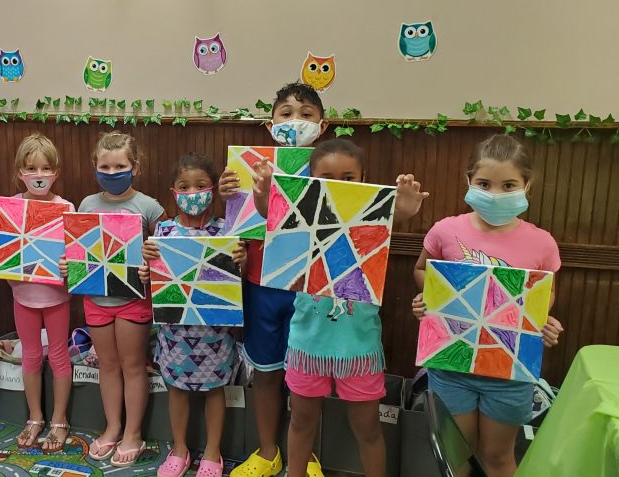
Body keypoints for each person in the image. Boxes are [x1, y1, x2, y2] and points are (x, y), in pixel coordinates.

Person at [255, 139, 427, 477]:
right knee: (301, 421)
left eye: (349, 178)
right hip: (308, 344)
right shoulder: (304, 216)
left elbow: (399, 213)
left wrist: (404, 205)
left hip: (357, 349)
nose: (338, 184)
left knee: (367, 428)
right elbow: (269, 211)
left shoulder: (371, 218)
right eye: (327, 176)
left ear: (363, 180)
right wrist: (265, 192)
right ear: (310, 179)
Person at [412, 134, 562, 477]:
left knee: (497, 456)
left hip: (508, 372)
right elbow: (422, 270)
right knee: (455, 456)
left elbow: (546, 293)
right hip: (452, 366)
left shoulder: (542, 242)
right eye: (484, 183)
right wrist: (430, 298)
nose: (495, 194)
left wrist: (542, 320)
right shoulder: (445, 231)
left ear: (528, 185)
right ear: (468, 182)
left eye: (508, 184)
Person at [219, 83, 328, 477]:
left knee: (308, 379)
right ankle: (269, 452)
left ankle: (305, 455)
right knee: (265, 373)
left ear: (322, 124)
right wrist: (227, 195)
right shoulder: (247, 168)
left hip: (312, 286)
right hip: (261, 282)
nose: (295, 121)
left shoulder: (329, 168)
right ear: (270, 124)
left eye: (306, 114)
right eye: (285, 113)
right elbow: (238, 230)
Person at [59, 131, 166, 467]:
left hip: (134, 300)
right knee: (107, 365)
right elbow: (78, 249)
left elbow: (165, 253)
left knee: (133, 366)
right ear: (94, 166)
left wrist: (153, 266)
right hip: (96, 299)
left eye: (120, 165)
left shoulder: (150, 207)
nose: (112, 171)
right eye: (104, 166)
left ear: (135, 166)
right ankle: (113, 426)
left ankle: (133, 432)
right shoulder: (87, 205)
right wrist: (68, 263)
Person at [139, 153, 245, 477]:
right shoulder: (164, 232)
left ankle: (213, 451)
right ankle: (180, 447)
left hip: (215, 330)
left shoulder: (225, 229)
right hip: (175, 331)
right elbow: (151, 278)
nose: (192, 192)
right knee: (176, 388)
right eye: (184, 186)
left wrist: (242, 258)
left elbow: (240, 279)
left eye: (200, 185)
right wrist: (147, 270)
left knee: (215, 391)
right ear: (173, 191)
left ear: (212, 190)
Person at [0, 133, 75, 452]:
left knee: (59, 356)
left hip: (57, 297)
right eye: (32, 168)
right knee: (31, 356)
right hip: (22, 297)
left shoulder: (66, 207)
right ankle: (35, 416)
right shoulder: (9, 208)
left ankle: (59, 419)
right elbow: (0, 251)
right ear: (20, 171)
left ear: (56, 173)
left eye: (46, 168)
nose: (39, 175)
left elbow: (75, 255)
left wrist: (68, 266)